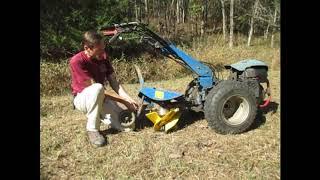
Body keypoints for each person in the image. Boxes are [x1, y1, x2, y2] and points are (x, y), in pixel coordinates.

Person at [69, 30, 139, 147]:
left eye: (103, 48)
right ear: (87, 48)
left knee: (128, 127)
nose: (103, 53)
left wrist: (129, 99)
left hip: (102, 96)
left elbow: (114, 83)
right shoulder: (77, 61)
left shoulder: (103, 57)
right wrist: (124, 101)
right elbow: (96, 88)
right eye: (99, 50)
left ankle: (102, 115)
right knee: (97, 88)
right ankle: (92, 130)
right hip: (82, 99)